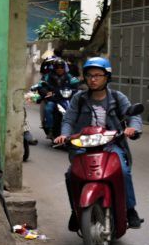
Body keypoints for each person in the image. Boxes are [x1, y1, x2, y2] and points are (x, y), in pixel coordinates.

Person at [54, 57, 143, 228]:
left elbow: (133, 116)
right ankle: (75, 210)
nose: (93, 79)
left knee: (123, 172)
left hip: (111, 144)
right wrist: (64, 135)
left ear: (106, 77)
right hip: (85, 145)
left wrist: (133, 129)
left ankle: (130, 210)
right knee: (71, 175)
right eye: (89, 76)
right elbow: (68, 120)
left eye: (97, 75)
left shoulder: (117, 97)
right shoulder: (79, 98)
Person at [37, 58, 80, 139]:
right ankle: (50, 129)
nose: (59, 69)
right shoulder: (47, 76)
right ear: (54, 68)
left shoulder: (69, 77)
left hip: (67, 99)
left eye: (61, 67)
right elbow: (41, 86)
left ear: (64, 68)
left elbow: (77, 85)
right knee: (48, 109)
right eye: (57, 67)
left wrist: (77, 90)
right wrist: (46, 92)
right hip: (53, 99)